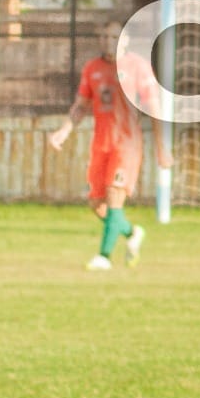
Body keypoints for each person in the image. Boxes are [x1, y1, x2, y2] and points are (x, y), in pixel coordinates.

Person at [48, 21, 169, 270]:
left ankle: (103, 257)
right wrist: (63, 131)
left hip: (127, 145)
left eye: (113, 36)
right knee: (97, 204)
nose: (107, 40)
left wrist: (162, 146)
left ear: (124, 39)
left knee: (115, 196)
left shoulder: (138, 66)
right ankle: (132, 232)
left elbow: (154, 109)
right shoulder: (92, 68)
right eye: (103, 35)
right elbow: (81, 106)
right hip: (101, 143)